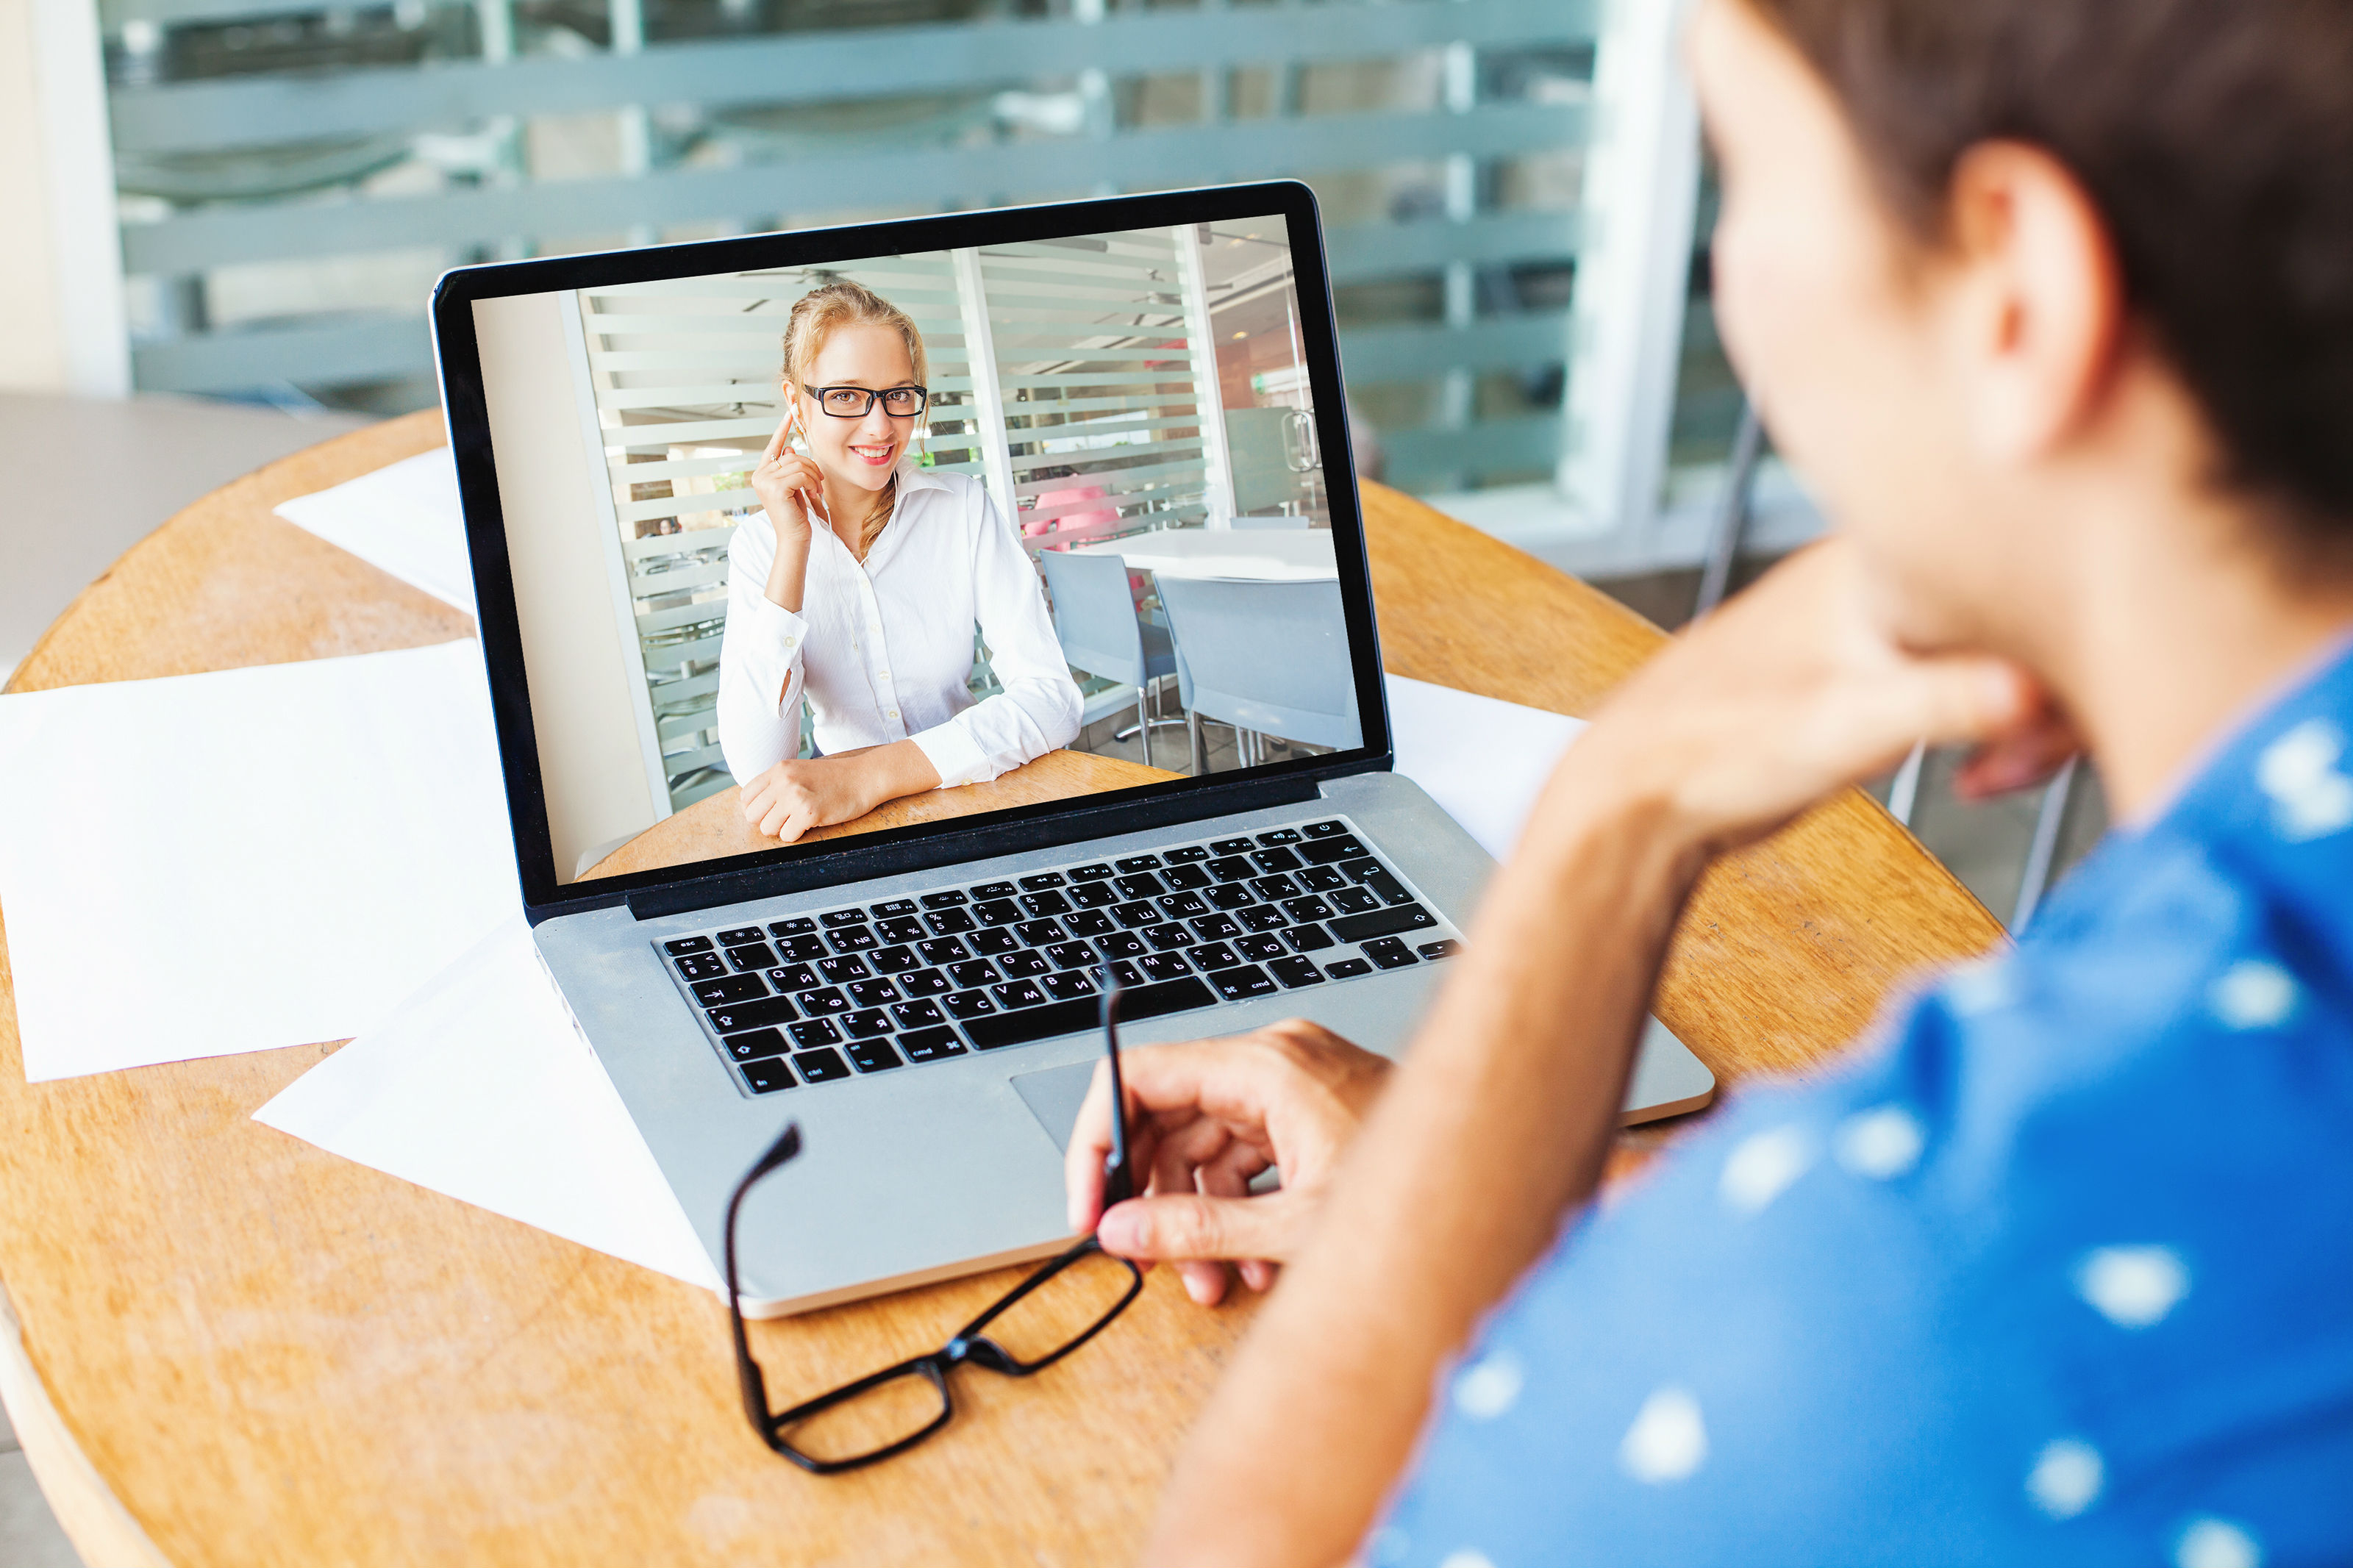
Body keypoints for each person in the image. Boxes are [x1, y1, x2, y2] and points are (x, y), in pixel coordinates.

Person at [1063, 0, 2353, 1562]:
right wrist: (1503, 1181)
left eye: (1743, 173)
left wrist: (1610, 821)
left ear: (2018, 292)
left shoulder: (1928, 1281)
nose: (1728, 287)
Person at [715, 279, 1082, 842]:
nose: (881, 425)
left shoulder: (961, 508)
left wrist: (872, 776)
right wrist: (793, 547)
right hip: (837, 822)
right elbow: (758, 767)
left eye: (899, 395)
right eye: (845, 396)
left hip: (968, 784)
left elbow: (1054, 698)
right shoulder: (761, 545)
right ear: (795, 403)